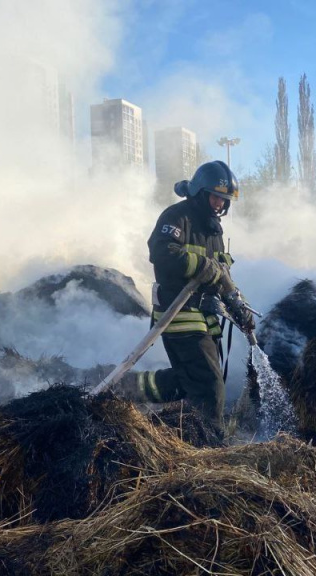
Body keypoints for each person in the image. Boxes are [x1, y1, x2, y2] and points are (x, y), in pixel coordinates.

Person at [116, 160, 255, 426]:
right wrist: (203, 266)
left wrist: (240, 305)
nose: (220, 204)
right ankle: (209, 447)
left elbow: (221, 275)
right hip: (180, 316)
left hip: (205, 318)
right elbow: (162, 253)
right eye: (216, 197)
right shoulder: (177, 216)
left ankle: (126, 387)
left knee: (188, 380)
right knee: (209, 388)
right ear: (202, 192)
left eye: (225, 200)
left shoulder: (213, 229)